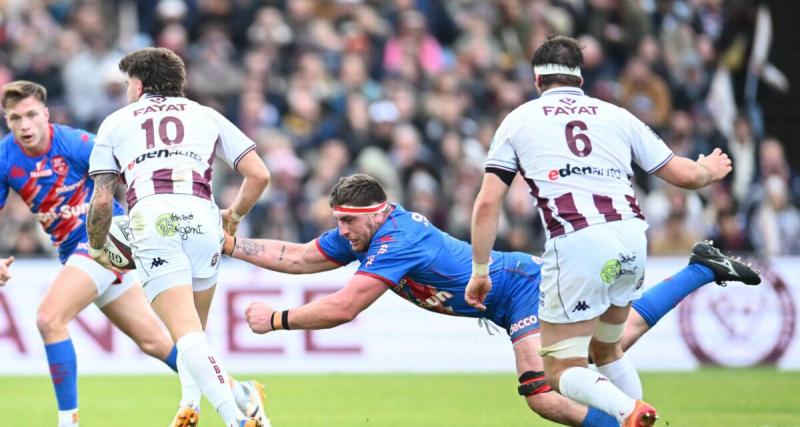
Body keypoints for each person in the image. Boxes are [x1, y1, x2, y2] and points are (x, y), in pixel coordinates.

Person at [229, 174, 759, 427]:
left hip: (521, 287)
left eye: (348, 221)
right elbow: (299, 257)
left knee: (544, 390)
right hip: (510, 295)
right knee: (607, 346)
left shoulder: (396, 239)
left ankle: (622, 423)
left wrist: (277, 319)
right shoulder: (364, 236)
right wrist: (231, 244)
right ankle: (700, 268)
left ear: (378, 213)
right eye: (337, 221)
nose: (342, 231)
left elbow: (345, 307)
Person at [465, 36, 733, 426]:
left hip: (578, 242)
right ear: (580, 79)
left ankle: (628, 411)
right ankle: (634, 416)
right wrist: (708, 168)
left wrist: (480, 271)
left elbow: (488, 202)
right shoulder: (617, 115)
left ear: (537, 81)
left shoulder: (519, 119)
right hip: (631, 237)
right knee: (607, 351)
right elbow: (686, 175)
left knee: (559, 369)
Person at [0, 80, 265, 427]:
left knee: (49, 318)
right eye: (15, 118)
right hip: (75, 252)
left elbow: (131, 172)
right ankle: (240, 393)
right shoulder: (5, 157)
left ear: (46, 114)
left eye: (31, 114)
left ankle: (68, 422)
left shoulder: (75, 143)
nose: (24, 125)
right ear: (7, 120)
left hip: (106, 240)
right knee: (154, 342)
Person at [86, 48, 270, 427]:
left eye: (128, 83)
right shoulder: (206, 115)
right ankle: (189, 405)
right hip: (203, 217)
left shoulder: (116, 121)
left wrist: (97, 245)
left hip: (154, 217)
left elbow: (102, 199)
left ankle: (237, 418)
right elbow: (259, 175)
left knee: (185, 333)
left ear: (139, 85)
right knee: (194, 331)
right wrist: (233, 217)